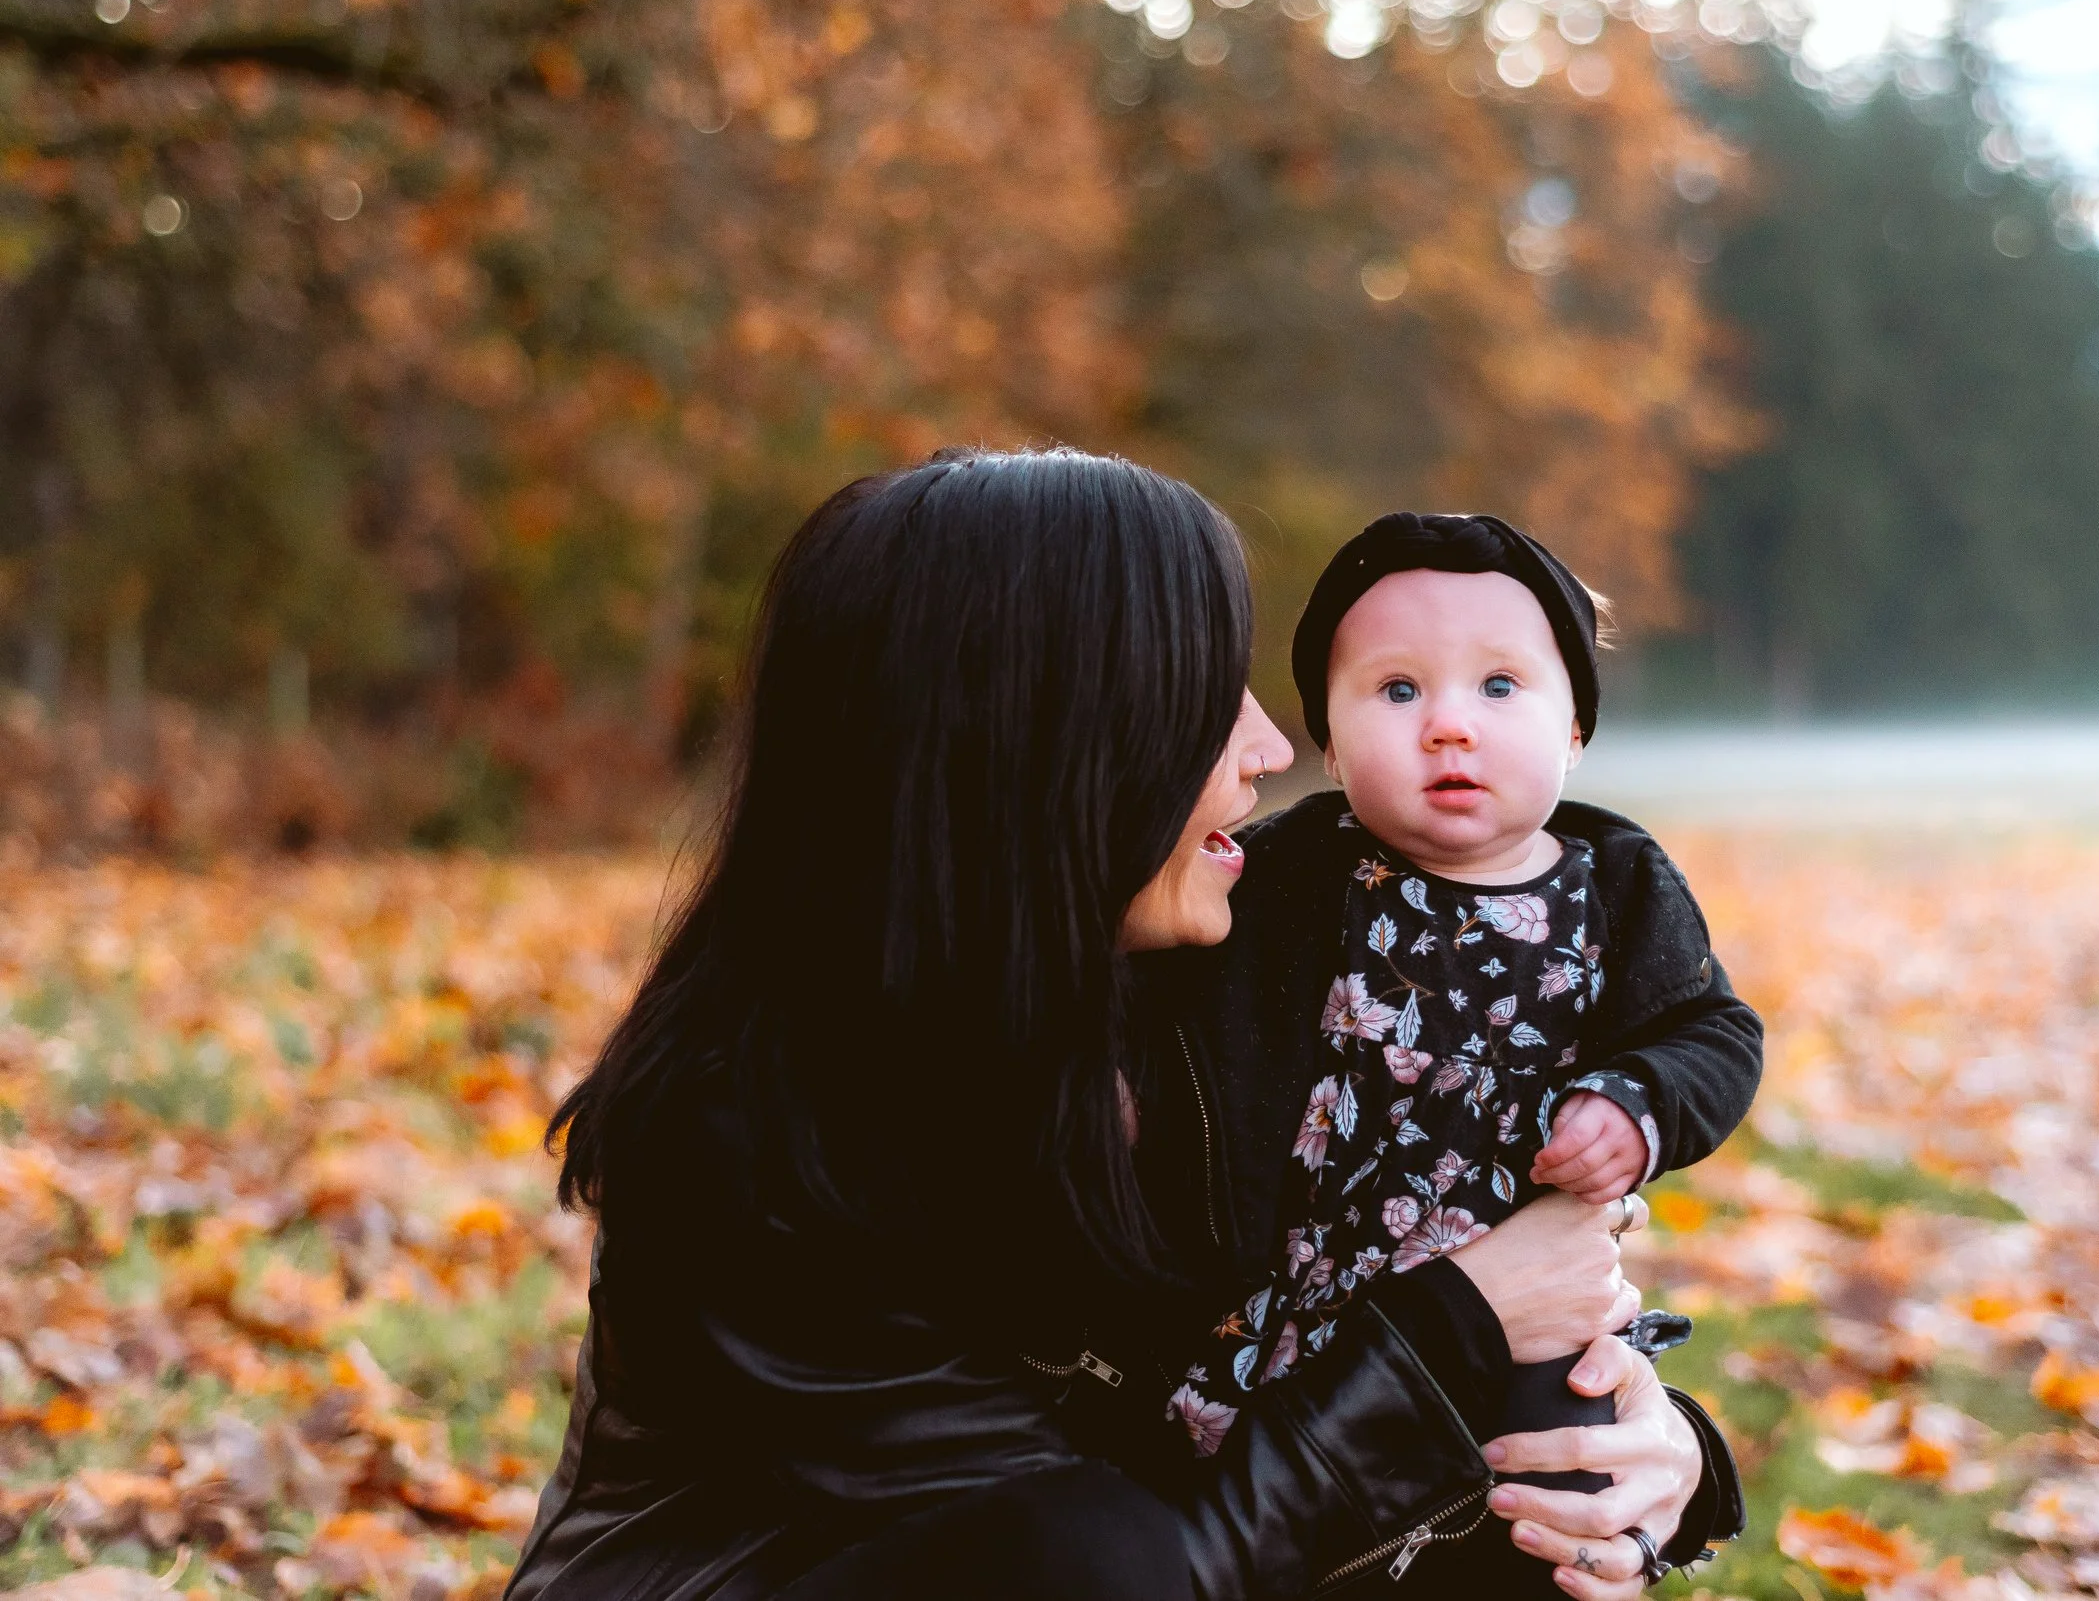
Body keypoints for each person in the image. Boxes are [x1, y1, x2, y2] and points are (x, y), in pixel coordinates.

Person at [505, 451, 1723, 1601]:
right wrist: (1457, 1325)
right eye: (1205, 695)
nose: (1268, 746)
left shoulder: (1142, 1028)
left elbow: (1246, 1400)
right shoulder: (763, 1134)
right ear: (1048, 740)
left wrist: (1653, 1454)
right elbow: (1118, 1568)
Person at [1097, 513, 1759, 1595]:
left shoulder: (1618, 887)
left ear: (1575, 728)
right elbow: (1150, 1001)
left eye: (1499, 687)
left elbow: (1712, 1032)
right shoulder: (1282, 875)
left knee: (1535, 1507)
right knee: (1294, 1527)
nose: (1448, 724)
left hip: (1527, 1295)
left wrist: (1638, 1100)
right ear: (1329, 734)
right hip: (1302, 1297)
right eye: (1396, 691)